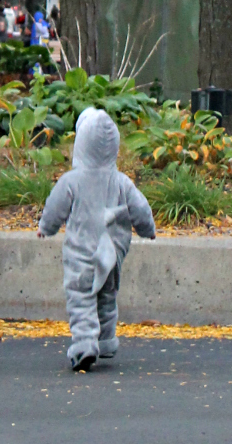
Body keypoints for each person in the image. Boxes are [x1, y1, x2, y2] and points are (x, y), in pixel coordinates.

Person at [37, 107, 156, 372]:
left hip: (82, 254)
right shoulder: (122, 181)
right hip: (113, 252)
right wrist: (148, 230)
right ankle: (106, 341)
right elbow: (140, 209)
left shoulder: (72, 180)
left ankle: (84, 345)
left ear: (81, 145)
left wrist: (46, 227)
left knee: (81, 298)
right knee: (106, 295)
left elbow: (55, 207)